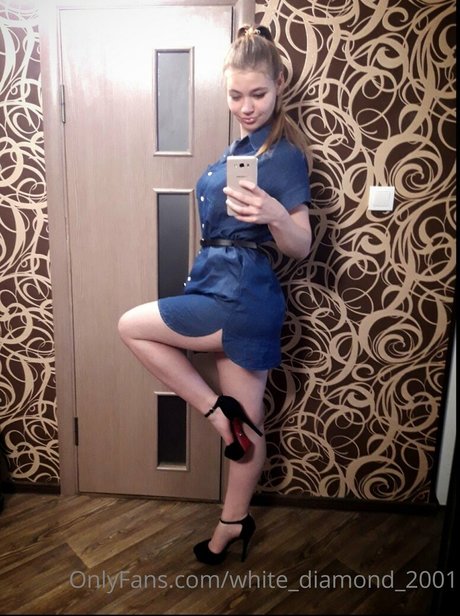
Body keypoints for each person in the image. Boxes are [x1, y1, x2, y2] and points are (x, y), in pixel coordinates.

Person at [118, 24, 312, 564]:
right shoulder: (239, 149)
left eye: (258, 94)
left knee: (131, 326)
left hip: (241, 295)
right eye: (235, 95)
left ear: (279, 84)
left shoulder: (283, 155)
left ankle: (216, 415)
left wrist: (275, 214)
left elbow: (301, 245)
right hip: (224, 286)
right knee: (248, 424)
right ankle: (233, 523)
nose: (247, 107)